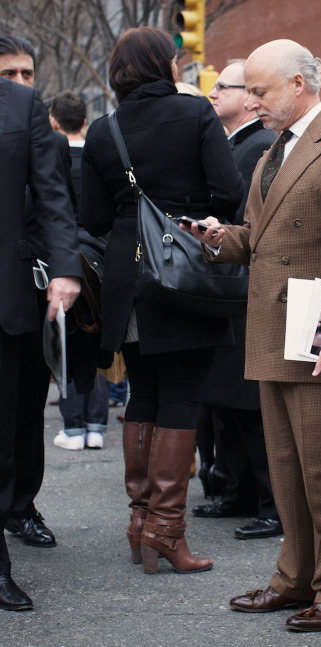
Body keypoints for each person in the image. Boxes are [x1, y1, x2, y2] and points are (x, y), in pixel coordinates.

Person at [185, 39, 321, 633]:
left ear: (299, 84)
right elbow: (263, 239)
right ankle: (294, 578)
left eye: (261, 90)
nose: (251, 101)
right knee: (287, 471)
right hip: (277, 333)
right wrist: (222, 238)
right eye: (247, 90)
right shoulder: (275, 149)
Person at [80, 27, 244, 576]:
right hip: (182, 269)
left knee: (144, 393)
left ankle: (141, 522)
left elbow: (95, 220)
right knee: (182, 395)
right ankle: (167, 531)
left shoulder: (104, 130)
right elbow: (228, 189)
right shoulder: (195, 114)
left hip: (129, 278)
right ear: (165, 65)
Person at [0, 59, 81, 610]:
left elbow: (53, 196)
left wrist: (66, 267)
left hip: (6, 296)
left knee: (5, 432)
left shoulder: (22, 107)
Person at [193, 61, 281, 539]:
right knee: (230, 402)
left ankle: (271, 503)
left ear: (249, 96)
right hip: (232, 287)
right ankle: (238, 492)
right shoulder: (240, 144)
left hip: (249, 288)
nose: (212, 93)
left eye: (222, 86)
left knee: (250, 404)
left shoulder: (260, 146)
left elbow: (245, 217)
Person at [49, 90, 110, 451]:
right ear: (85, 120)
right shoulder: (99, 155)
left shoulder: (48, 159)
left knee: (66, 341)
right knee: (98, 342)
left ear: (55, 122)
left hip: (65, 258)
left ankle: (72, 427)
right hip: (101, 260)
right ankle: (95, 426)